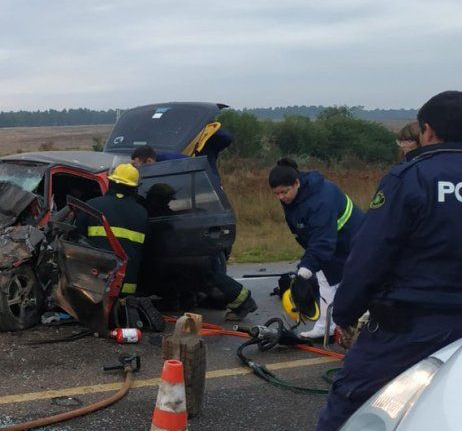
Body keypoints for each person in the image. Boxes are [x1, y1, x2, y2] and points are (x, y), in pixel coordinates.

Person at [269, 90, 462, 431]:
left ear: (427, 130)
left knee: (352, 397)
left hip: (409, 325)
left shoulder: (411, 178)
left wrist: (346, 311)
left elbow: (371, 253)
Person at [133, 144, 258, 321]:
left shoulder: (163, 209)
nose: (135, 168)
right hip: (188, 247)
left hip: (193, 248)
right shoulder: (164, 211)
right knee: (177, 270)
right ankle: (175, 300)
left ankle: (244, 301)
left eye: (136, 164)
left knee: (207, 274)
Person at [267, 158, 365, 340]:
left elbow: (322, 240)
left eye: (284, 192)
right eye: (277, 194)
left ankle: (367, 329)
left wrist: (303, 273)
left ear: (296, 183)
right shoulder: (295, 194)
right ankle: (326, 327)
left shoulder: (320, 200)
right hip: (331, 242)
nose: (281, 197)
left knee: (358, 285)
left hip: (356, 241)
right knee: (325, 281)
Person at [77, 163, 148, 297]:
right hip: (126, 286)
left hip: (94, 283)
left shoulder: (92, 205)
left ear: (110, 182)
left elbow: (76, 240)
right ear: (135, 188)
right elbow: (146, 250)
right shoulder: (142, 213)